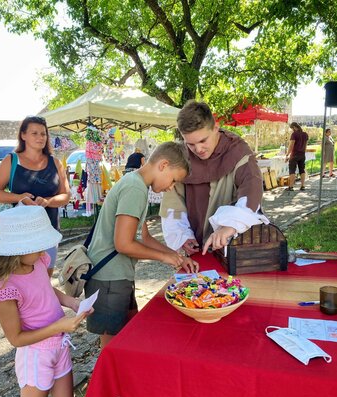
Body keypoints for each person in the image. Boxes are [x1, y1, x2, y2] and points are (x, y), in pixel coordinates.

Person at [0, 205, 92, 397]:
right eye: (39, 244)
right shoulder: (5, 288)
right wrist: (60, 325)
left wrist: (70, 301)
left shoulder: (37, 261)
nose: (46, 250)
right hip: (35, 355)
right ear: (19, 248)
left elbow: (47, 289)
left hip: (59, 346)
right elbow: (16, 339)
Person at [85, 141, 199, 348]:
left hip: (118, 276)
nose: (171, 187)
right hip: (109, 278)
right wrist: (166, 258)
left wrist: (177, 256)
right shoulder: (135, 188)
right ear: (163, 165)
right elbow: (123, 244)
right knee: (113, 346)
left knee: (130, 334)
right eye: (173, 180)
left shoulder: (136, 184)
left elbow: (144, 238)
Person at [160, 100, 268, 256]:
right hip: (196, 248)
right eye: (190, 144)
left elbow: (251, 196)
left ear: (215, 127)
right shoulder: (182, 157)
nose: (198, 149)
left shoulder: (238, 151)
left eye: (203, 140)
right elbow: (173, 205)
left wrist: (230, 226)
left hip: (233, 246)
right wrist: (183, 237)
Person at [0, 116, 71, 275]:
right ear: (23, 135)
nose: (40, 137)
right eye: (35, 133)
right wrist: (19, 198)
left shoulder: (55, 163)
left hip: (48, 231)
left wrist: (47, 201)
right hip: (17, 235)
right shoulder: (11, 161)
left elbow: (66, 195)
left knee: (44, 281)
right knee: (16, 282)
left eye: (43, 134)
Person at [285, 122, 309, 191]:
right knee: (302, 170)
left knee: (292, 170)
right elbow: (305, 146)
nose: (292, 130)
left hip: (294, 154)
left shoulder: (294, 134)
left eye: (292, 128)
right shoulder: (305, 134)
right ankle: (302, 186)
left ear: (295, 127)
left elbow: (291, 145)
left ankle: (291, 187)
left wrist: (287, 154)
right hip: (302, 154)